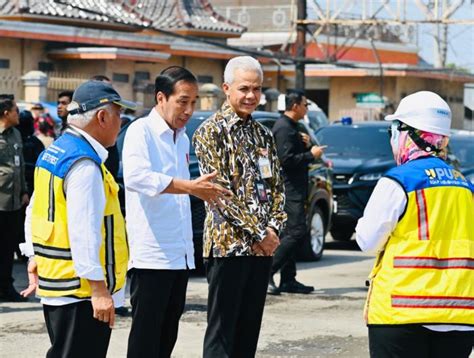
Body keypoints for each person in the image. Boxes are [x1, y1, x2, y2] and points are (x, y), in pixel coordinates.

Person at [20, 81, 135, 357]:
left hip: (60, 283)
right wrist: (98, 290)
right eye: (119, 114)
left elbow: (35, 211)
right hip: (80, 291)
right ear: (102, 117)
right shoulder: (84, 164)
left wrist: (34, 255)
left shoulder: (57, 151)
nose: (121, 122)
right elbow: (84, 233)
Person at [123, 66, 231, 358]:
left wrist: (206, 194)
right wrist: (189, 187)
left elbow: (186, 190)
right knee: (145, 337)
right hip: (152, 255)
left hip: (179, 254)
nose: (189, 109)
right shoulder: (140, 131)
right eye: (183, 101)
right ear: (161, 98)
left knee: (168, 333)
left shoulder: (182, 138)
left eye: (194, 102)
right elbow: (136, 177)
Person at [356, 91, 474, 358]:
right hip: (459, 315)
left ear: (408, 133)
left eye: (393, 130)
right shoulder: (466, 186)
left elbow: (367, 241)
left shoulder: (399, 181)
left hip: (401, 314)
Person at [193, 56, 287, 358]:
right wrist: (260, 233)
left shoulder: (263, 134)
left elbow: (276, 188)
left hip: (262, 249)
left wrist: (273, 230)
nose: (251, 96)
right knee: (222, 333)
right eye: (244, 88)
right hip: (227, 247)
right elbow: (219, 193)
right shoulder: (210, 132)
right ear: (226, 88)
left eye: (257, 89)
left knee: (249, 331)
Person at [268, 90, 326, 295]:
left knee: (291, 232)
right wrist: (311, 155)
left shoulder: (292, 127)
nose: (306, 109)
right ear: (295, 106)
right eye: (305, 105)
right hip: (288, 188)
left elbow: (293, 153)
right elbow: (286, 160)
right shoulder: (284, 127)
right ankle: (268, 272)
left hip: (297, 187)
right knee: (296, 231)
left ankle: (288, 279)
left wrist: (306, 146)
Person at [0, 94, 29, 302]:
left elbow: (20, 166)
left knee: (8, 247)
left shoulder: (16, 135)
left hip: (14, 202)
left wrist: (24, 191)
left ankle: (6, 287)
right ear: (6, 113)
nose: (19, 114)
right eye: (16, 110)